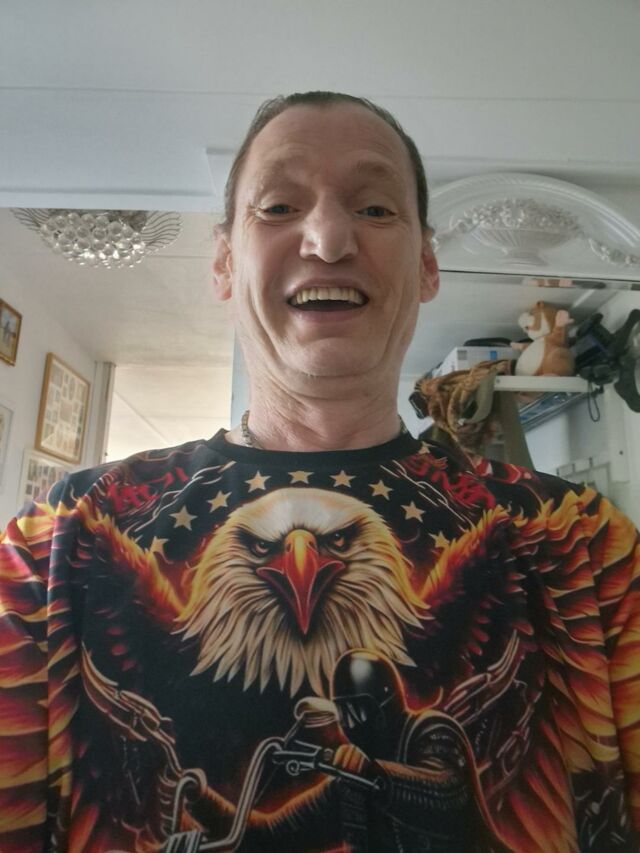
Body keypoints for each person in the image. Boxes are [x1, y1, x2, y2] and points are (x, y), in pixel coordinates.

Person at [0, 91, 638, 853]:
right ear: (223, 262)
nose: (330, 238)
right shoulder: (60, 538)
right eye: (277, 206)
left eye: (375, 209)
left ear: (427, 263)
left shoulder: (579, 541)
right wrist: (203, 807)